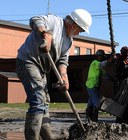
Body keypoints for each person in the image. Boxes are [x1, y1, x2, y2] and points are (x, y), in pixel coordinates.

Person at [16, 9, 92, 140]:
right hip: (27, 61)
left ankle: (47, 136)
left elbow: (63, 60)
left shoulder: (69, 41)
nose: (80, 33)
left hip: (41, 68)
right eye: (81, 30)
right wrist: (45, 34)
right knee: (38, 100)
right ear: (74, 26)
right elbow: (35, 19)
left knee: (45, 102)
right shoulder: (55, 22)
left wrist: (64, 77)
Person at [85, 49, 112, 122]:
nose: (103, 58)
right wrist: (110, 61)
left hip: (94, 86)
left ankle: (88, 119)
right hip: (92, 85)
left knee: (90, 103)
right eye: (102, 57)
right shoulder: (95, 63)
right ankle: (94, 120)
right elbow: (102, 64)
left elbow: (105, 75)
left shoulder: (99, 68)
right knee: (96, 103)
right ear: (99, 56)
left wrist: (112, 79)